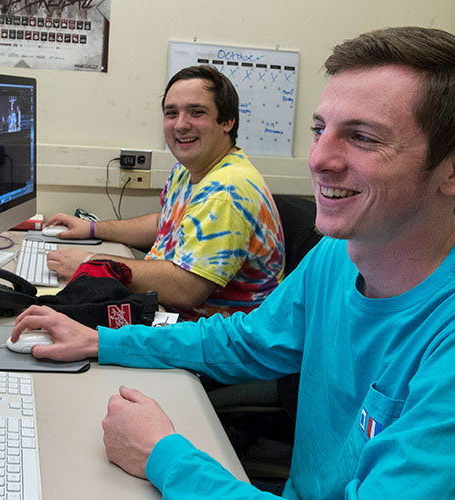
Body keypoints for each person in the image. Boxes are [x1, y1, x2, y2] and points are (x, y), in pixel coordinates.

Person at [12, 26, 455, 499]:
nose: (320, 159)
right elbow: (244, 342)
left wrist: (164, 456)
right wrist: (100, 342)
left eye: (363, 137)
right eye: (320, 129)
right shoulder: (337, 255)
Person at [42, 65, 285, 321]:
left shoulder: (225, 190)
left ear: (227, 121)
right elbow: (164, 223)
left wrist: (92, 263)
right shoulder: (189, 169)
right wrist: (92, 229)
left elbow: (186, 288)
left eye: (196, 112)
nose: (180, 125)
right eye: (171, 113)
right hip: (168, 313)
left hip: (215, 339)